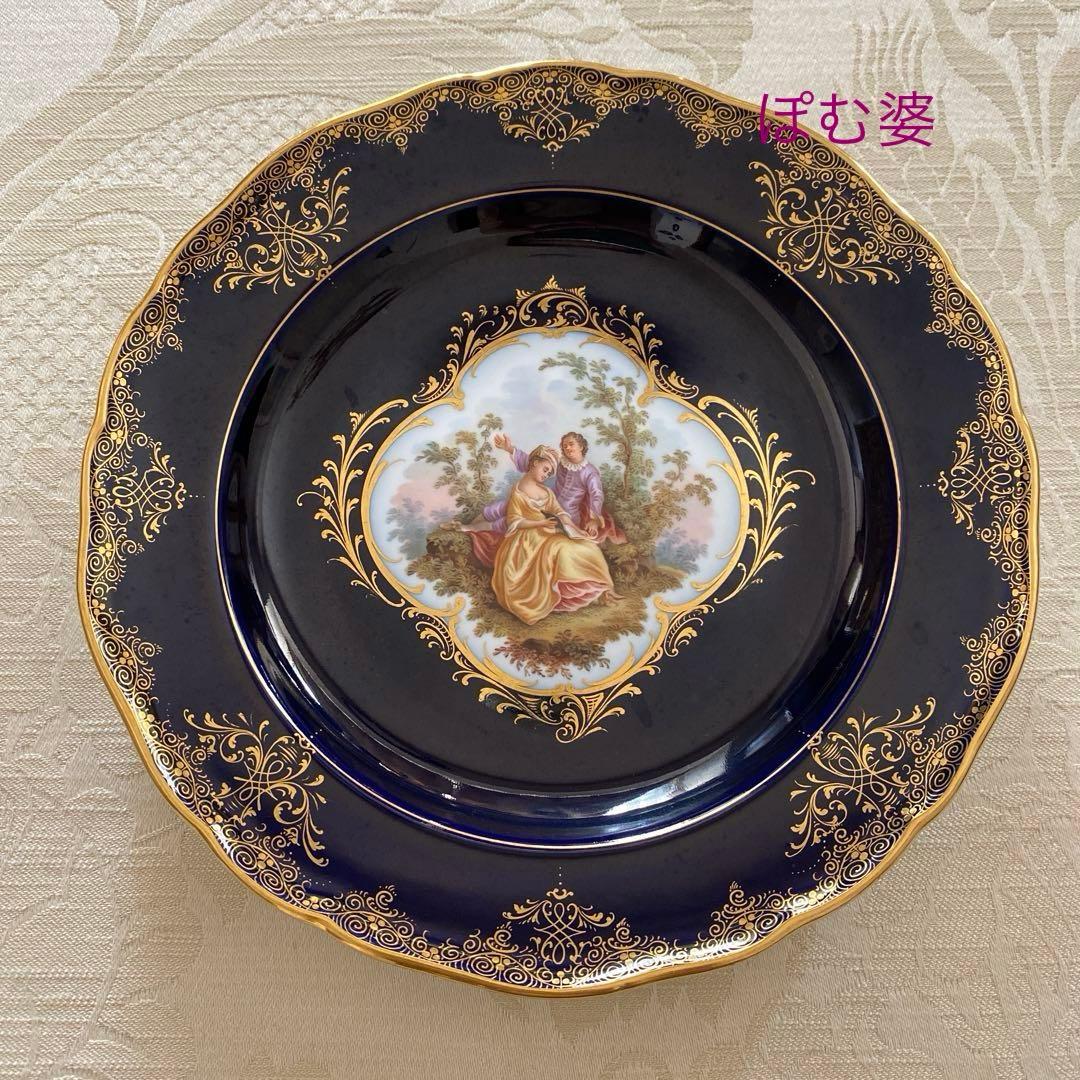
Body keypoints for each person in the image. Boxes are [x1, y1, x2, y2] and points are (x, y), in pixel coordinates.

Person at [474, 445, 619, 625]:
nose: (546, 475)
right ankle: (551, 596)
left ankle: (602, 590)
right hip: (525, 542)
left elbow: (560, 512)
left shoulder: (546, 492)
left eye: (549, 473)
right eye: (545, 469)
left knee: (587, 546)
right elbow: (514, 521)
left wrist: (575, 529)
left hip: (548, 535)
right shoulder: (518, 490)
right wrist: (539, 523)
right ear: (535, 463)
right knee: (560, 550)